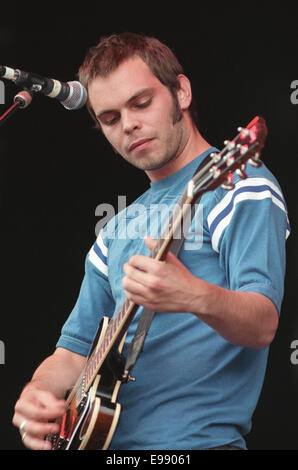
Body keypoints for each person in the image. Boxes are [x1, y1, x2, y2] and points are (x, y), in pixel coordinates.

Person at [12, 32, 289, 451]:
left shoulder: (241, 186)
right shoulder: (114, 230)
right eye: (109, 118)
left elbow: (264, 324)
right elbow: (72, 354)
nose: (129, 125)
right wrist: (37, 394)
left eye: (141, 103)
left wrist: (193, 295)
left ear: (181, 91)